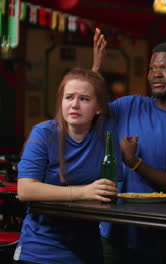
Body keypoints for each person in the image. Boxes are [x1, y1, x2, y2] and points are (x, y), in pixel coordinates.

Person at [93, 30, 166, 263]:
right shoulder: (129, 105)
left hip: (163, 235)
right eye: (152, 68)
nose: (156, 74)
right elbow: (91, 109)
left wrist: (135, 164)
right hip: (113, 231)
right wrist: (96, 70)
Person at [14, 68, 117, 264]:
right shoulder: (44, 133)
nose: (75, 105)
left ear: (99, 108)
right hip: (42, 248)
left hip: (88, 248)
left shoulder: (105, 136)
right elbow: (25, 189)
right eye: (69, 97)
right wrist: (83, 192)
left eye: (84, 99)